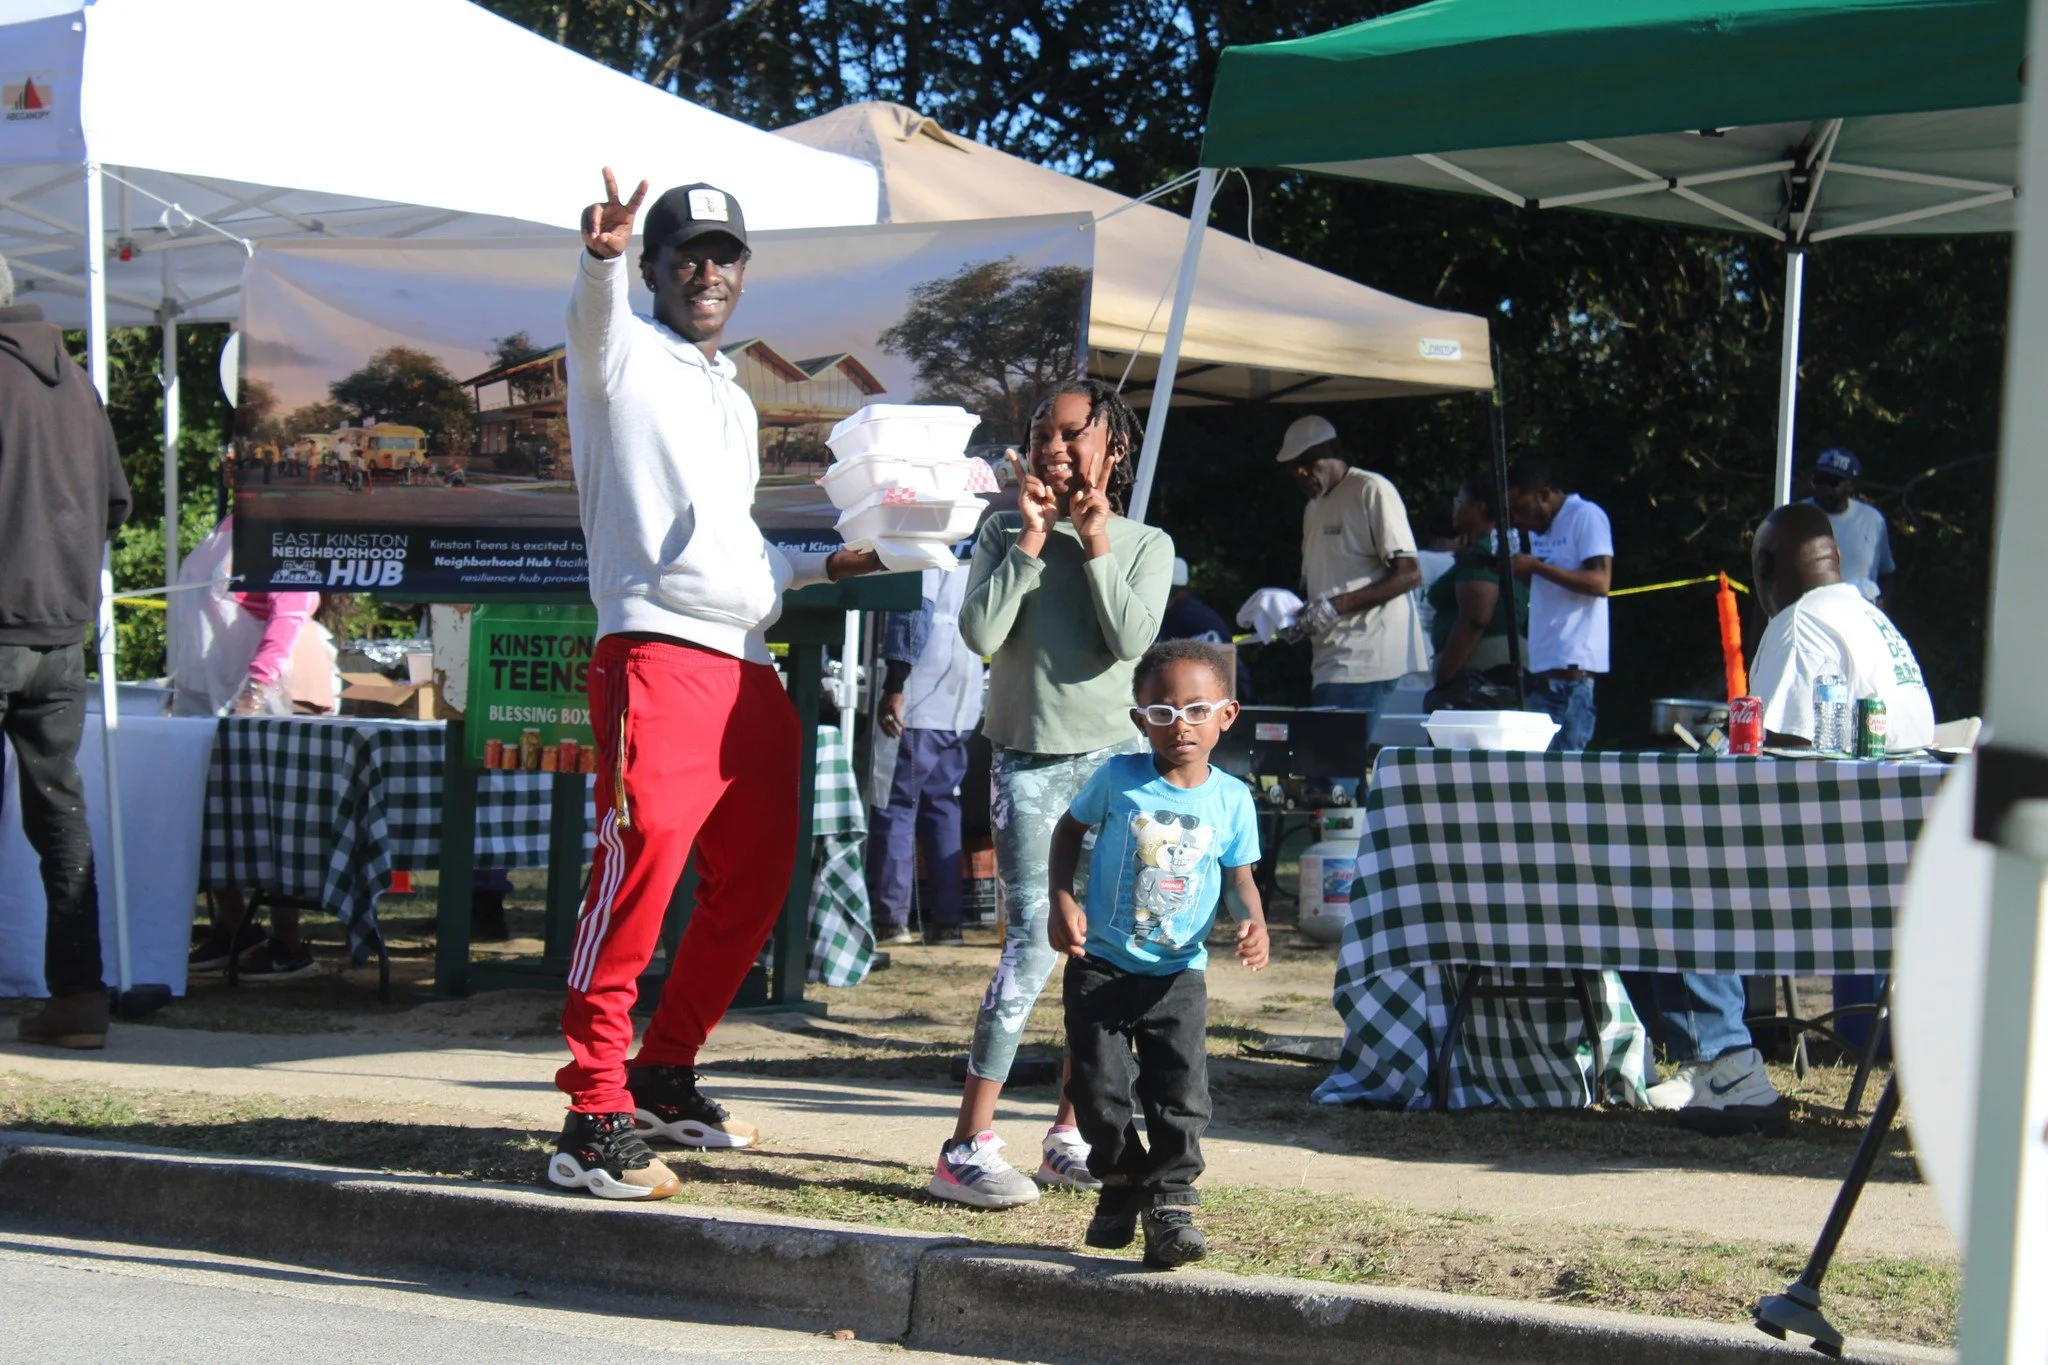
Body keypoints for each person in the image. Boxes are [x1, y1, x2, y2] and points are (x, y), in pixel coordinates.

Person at [547, 170, 882, 1201]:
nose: (706, 269)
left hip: (746, 664)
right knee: (637, 876)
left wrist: (825, 567)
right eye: (684, 251)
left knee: (756, 881)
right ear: (651, 265)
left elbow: (737, 551)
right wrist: (597, 262)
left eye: (724, 254)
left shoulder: (730, 392)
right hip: (655, 652)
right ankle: (591, 1111)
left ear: (741, 274)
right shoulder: (616, 353)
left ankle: (662, 1072)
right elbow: (591, 322)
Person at [932, 377, 1174, 1210]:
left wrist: (1095, 539)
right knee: (1033, 945)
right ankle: (966, 1141)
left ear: (1115, 448)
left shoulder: (1145, 543)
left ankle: (1069, 1133)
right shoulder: (1003, 529)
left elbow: (1133, 639)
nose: (1056, 448)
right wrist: (1035, 542)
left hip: (1113, 767)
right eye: (1043, 433)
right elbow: (980, 634)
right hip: (1028, 768)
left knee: (1100, 949)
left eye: (1074, 434)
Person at [1048, 639, 1266, 1267]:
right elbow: (1068, 831)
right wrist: (1062, 899)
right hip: (1102, 965)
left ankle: (1170, 1203)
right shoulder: (1119, 779)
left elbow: (1240, 878)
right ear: (1140, 718)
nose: (1181, 727)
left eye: (1198, 711)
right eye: (1163, 713)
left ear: (1227, 715)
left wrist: (1253, 922)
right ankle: (1120, 1181)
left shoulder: (1231, 799)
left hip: (1178, 975)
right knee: (1096, 1091)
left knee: (1181, 1094)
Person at [0, 253, 133, 1049]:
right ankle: (79, 998)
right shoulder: (76, 383)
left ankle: (78, 1001)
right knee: (59, 812)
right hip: (60, 628)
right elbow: (116, 499)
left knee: (55, 812)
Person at [1749, 502, 1935, 752]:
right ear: (1837, 556)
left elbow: (1787, 749)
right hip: (1914, 783)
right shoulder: (1868, 612)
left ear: (1763, 565)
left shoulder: (1802, 622)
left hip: (1854, 789)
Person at [1275, 415, 1427, 714]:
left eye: (1308, 460)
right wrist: (1294, 619)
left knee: (1333, 759)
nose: (1301, 471)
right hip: (1330, 660)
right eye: (1293, 466)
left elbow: (1410, 573)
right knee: (1328, 757)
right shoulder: (1313, 508)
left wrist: (1336, 606)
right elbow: (1326, 586)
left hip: (1369, 660)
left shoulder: (1370, 489)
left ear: (1334, 450)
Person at [868, 554, 984, 948]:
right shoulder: (987, 542)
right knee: (943, 805)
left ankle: (890, 917)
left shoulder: (927, 546)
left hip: (924, 686)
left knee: (896, 805)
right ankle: (947, 923)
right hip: (963, 692)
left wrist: (895, 682)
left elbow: (913, 609)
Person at [1508, 460, 1612, 751]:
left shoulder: (1586, 516)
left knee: (1564, 772)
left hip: (1572, 674)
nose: (1517, 518)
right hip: (1542, 667)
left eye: (1520, 507)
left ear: (1543, 494)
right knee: (1534, 770)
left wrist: (1537, 567)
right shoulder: (1539, 528)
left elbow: (1601, 582)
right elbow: (1548, 585)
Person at [1427, 473, 1529, 684]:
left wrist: (1445, 674)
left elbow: (1476, 617)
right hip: (1499, 661)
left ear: (1479, 507)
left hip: (1481, 667)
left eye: (1460, 501)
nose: (1455, 507)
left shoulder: (1484, 552)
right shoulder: (1509, 545)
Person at [1805, 448, 1895, 605]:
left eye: (1833, 481)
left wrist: (1882, 605)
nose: (1825, 486)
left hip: (1858, 620)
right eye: (1820, 479)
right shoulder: (1794, 517)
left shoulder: (1872, 520)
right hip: (1811, 619)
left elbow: (1887, 573)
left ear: (1851, 485)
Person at [1155, 557, 1251, 701]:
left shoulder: (1193, 618)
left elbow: (1222, 667)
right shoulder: (1176, 614)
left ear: (1171, 590)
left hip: (1223, 701)